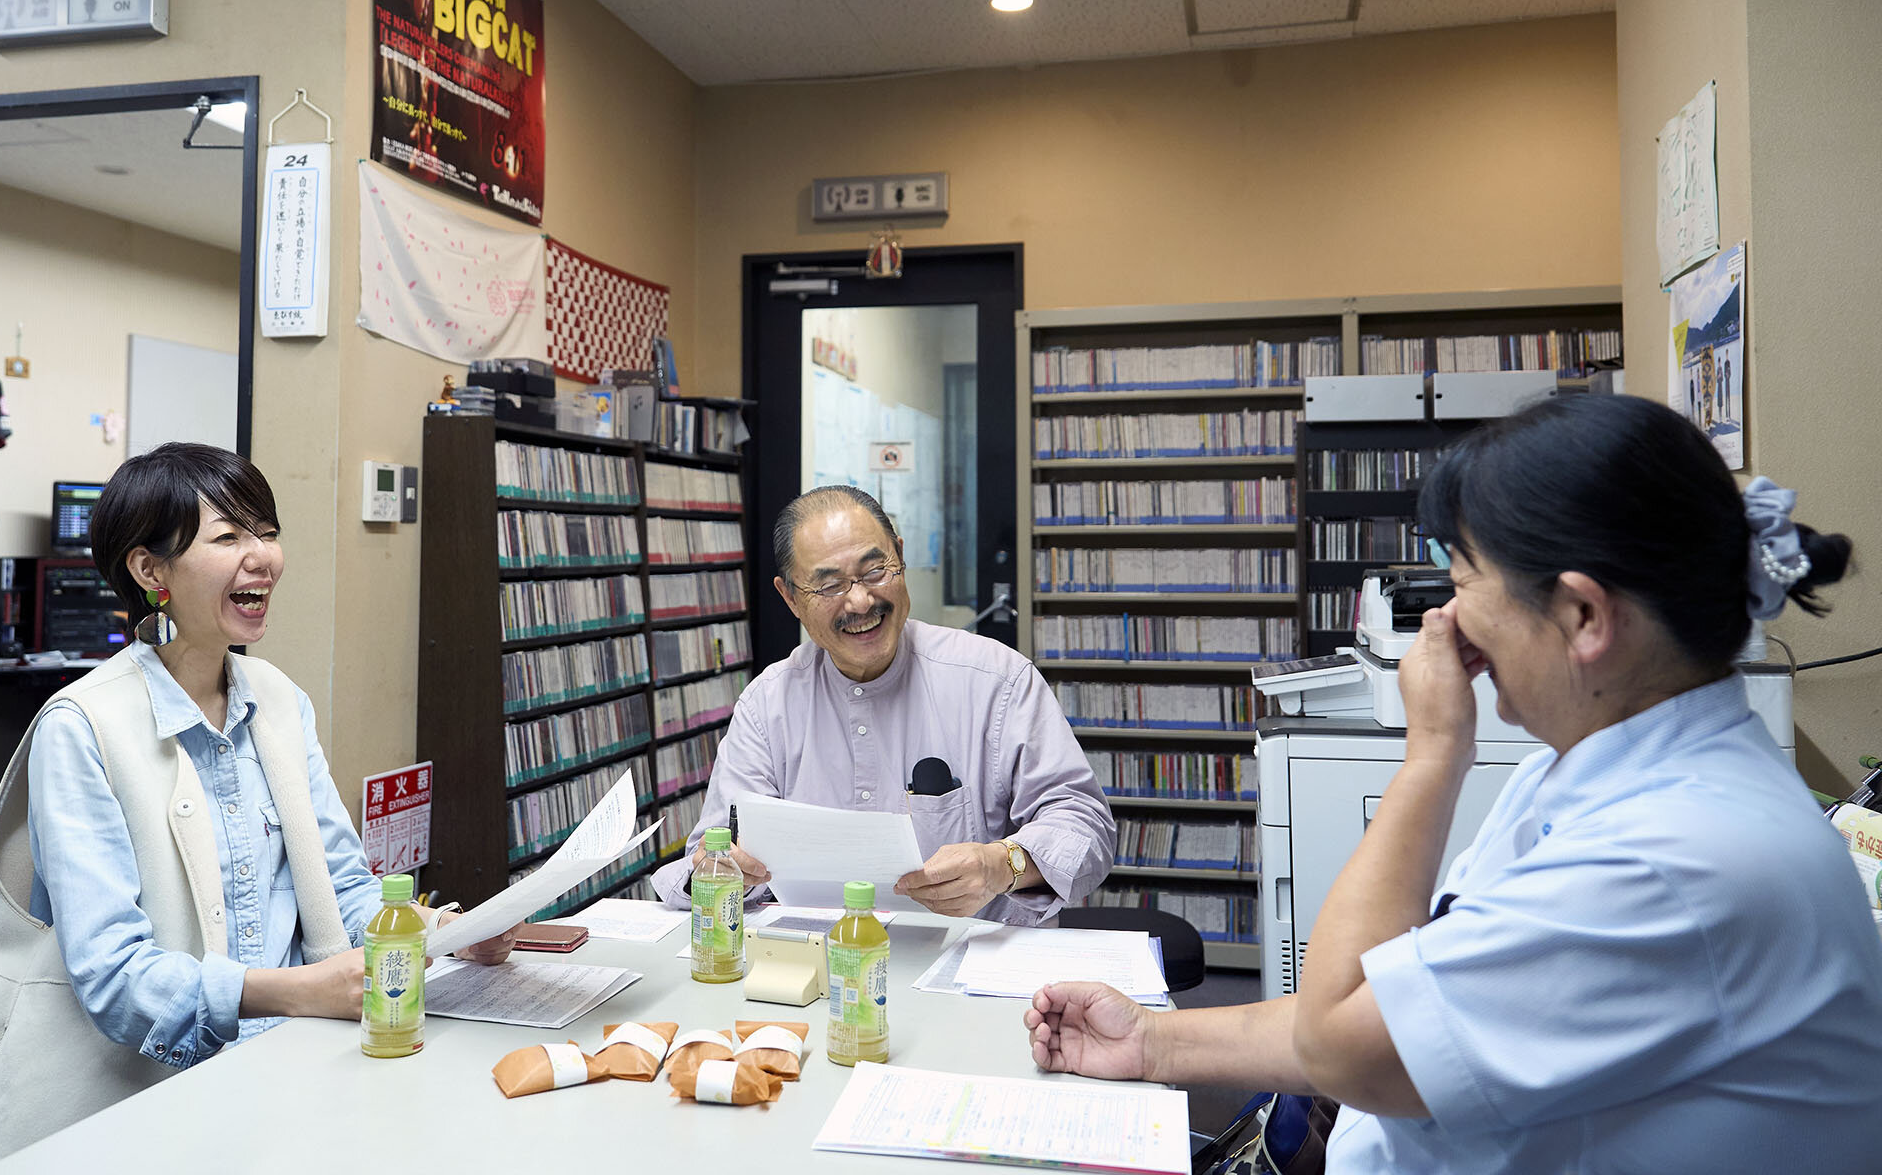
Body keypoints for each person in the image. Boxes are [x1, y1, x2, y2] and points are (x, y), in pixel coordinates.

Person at [1024, 395, 1882, 1170]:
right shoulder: (1587, 763)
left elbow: (1340, 1042)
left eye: (1466, 580)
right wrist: (1149, 1041)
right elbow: (1405, 1008)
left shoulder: (1679, 860)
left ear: (1582, 616)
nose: (1444, 620)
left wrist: (1432, 751)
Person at [0, 445, 514, 1175]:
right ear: (151, 573)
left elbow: (343, 886)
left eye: (266, 532)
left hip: (286, 1073)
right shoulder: (82, 727)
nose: (264, 558)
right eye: (229, 537)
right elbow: (116, 978)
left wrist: (447, 931)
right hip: (134, 1104)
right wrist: (300, 993)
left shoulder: (278, 701)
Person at [650, 486, 1111, 924]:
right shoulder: (768, 704)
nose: (860, 600)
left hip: (970, 966)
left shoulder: (996, 679)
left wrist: (1001, 863)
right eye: (828, 586)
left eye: (874, 572)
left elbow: (1085, 827)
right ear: (789, 597)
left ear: (901, 557)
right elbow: (707, 859)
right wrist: (725, 871)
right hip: (820, 966)